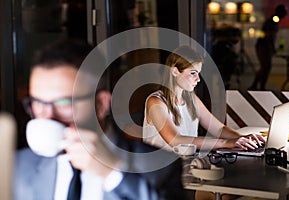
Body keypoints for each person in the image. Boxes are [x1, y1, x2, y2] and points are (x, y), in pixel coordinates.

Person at [14, 39, 189, 200]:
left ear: (100, 104)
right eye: (38, 103)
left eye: (63, 103)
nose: (47, 117)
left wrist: (112, 173)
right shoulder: (18, 166)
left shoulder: (158, 166)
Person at [143, 45, 265, 152]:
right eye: (193, 73)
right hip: (160, 173)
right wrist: (225, 143)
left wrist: (242, 138)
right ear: (175, 71)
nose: (198, 79)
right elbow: (175, 140)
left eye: (198, 73)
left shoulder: (191, 99)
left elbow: (219, 129)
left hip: (185, 166)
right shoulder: (156, 102)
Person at [249, 4, 287, 90]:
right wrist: (272, 47)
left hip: (265, 46)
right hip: (264, 47)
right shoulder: (273, 21)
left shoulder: (273, 20)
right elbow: (269, 36)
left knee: (265, 67)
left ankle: (257, 85)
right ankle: (258, 86)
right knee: (265, 67)